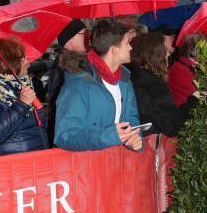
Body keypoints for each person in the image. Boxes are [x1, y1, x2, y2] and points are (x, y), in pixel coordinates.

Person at [54, 19, 142, 152]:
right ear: (114, 50)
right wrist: (109, 136)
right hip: (86, 168)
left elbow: (131, 119)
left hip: (118, 165)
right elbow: (64, 136)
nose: (130, 47)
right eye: (127, 43)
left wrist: (135, 139)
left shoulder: (125, 80)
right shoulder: (79, 85)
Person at [0, 37, 48, 156]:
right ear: (8, 62)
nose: (27, 62)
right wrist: (21, 105)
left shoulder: (22, 85)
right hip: (12, 166)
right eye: (22, 58)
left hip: (37, 160)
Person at [127, 32, 198, 138]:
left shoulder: (130, 75)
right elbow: (172, 126)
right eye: (164, 51)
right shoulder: (153, 85)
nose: (168, 54)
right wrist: (194, 99)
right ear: (156, 54)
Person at [47, 19, 88, 145]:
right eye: (83, 35)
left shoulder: (79, 63)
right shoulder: (62, 66)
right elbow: (56, 100)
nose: (87, 39)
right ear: (69, 40)